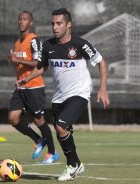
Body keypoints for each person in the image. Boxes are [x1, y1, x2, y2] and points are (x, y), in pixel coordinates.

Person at [17, 8, 110, 181]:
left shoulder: (80, 44)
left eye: (59, 23)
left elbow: (101, 62)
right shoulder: (48, 45)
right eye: (53, 23)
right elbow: (42, 66)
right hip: (59, 97)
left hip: (79, 94)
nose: (55, 27)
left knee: (61, 127)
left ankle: (72, 166)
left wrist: (103, 88)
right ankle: (77, 163)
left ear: (68, 25)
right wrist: (27, 79)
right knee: (62, 132)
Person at [8, 10, 59, 163]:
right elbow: (20, 62)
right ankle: (38, 140)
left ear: (30, 23)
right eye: (19, 19)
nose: (21, 22)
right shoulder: (17, 42)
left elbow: (38, 63)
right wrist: (13, 60)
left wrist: (18, 59)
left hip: (34, 88)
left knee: (39, 120)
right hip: (21, 88)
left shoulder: (34, 40)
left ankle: (52, 152)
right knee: (13, 118)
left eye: (24, 19)